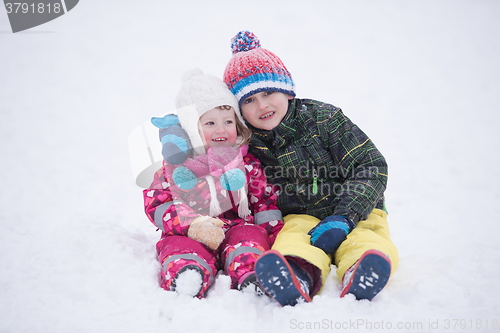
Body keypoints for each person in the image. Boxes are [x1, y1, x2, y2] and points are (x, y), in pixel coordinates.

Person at [221, 31, 399, 306]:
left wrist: (346, 216)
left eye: (269, 93)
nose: (262, 105)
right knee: (291, 240)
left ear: (287, 90)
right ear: (239, 110)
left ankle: (362, 269)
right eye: (249, 100)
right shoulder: (247, 143)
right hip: (299, 216)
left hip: (358, 209)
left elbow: (370, 165)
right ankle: (297, 274)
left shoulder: (323, 119)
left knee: (366, 237)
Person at [143, 68, 283, 298]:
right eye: (209, 123)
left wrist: (274, 235)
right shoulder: (175, 167)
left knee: (250, 237)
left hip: (238, 226)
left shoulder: (246, 162)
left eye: (228, 121)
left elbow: (264, 201)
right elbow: (157, 204)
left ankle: (250, 272)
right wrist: (190, 225)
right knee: (177, 244)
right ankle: (188, 272)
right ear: (191, 128)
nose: (221, 129)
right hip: (192, 230)